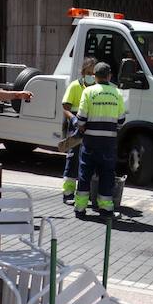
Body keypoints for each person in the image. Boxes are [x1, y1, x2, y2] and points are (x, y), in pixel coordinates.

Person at [72, 61, 126, 216]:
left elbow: (81, 119)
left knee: (85, 174)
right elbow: (121, 121)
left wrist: (80, 125)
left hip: (90, 142)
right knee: (107, 174)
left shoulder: (88, 92)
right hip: (108, 143)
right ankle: (105, 207)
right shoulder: (117, 93)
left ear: (94, 76)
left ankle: (80, 208)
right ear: (109, 76)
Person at [60, 56, 96, 203]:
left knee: (87, 161)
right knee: (73, 159)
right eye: (88, 73)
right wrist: (74, 119)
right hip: (75, 126)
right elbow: (65, 108)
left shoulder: (96, 88)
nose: (91, 76)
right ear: (83, 72)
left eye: (93, 73)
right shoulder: (75, 86)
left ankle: (83, 194)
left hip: (90, 125)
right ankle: (68, 193)